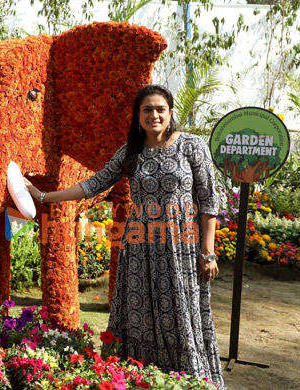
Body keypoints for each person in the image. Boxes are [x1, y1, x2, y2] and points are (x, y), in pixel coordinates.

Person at [25, 84, 226, 389]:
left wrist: (208, 252)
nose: (154, 115)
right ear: (138, 115)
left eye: (160, 108)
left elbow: (209, 201)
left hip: (182, 248)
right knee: (140, 315)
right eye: (147, 109)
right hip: (140, 248)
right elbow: (94, 184)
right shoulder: (132, 151)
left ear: (171, 112)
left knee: (181, 315)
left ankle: (190, 380)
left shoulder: (192, 146)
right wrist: (43, 197)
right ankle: (139, 378)